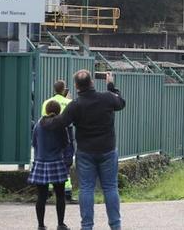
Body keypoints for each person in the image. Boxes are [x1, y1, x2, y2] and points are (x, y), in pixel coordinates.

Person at [41, 70, 125, 230]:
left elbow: (60, 122)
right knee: (110, 187)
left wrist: (45, 121)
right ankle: (116, 225)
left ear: (76, 86)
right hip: (107, 149)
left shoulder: (76, 105)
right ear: (92, 82)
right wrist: (111, 86)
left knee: (86, 188)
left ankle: (87, 226)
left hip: (86, 152)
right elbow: (121, 103)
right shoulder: (107, 98)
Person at [30, 100, 71, 230]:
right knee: (60, 195)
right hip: (57, 162)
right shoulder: (60, 126)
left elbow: (34, 143)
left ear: (46, 111)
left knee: (41, 196)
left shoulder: (38, 125)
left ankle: (41, 225)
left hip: (41, 163)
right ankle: (60, 224)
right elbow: (65, 144)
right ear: (59, 111)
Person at [41, 80, 74, 202]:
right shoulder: (69, 102)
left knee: (51, 159)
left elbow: (43, 119)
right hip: (66, 131)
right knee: (67, 160)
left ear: (54, 89)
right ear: (64, 89)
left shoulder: (47, 102)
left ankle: (49, 190)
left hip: (50, 132)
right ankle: (67, 191)